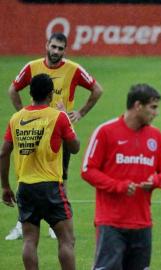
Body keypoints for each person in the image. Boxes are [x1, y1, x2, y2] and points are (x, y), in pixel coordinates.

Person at [6, 32, 103, 240]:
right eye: (53, 47)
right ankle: (21, 224)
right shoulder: (31, 67)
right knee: (25, 174)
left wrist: (80, 112)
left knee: (61, 176)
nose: (56, 51)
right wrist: (22, 112)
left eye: (60, 48)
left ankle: (55, 223)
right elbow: (12, 89)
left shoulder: (73, 69)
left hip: (59, 131)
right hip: (33, 131)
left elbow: (97, 89)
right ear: (46, 45)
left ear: (64, 50)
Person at [81, 83, 161, 270]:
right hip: (111, 222)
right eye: (153, 107)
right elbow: (87, 170)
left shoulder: (155, 136)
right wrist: (118, 186)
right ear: (138, 106)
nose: (156, 113)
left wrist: (155, 181)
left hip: (142, 223)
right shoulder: (106, 131)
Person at [0, 73, 80, 270]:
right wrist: (66, 119)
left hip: (25, 187)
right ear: (51, 95)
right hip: (51, 187)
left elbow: (3, 152)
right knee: (66, 239)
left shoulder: (16, 118)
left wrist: (5, 187)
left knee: (29, 241)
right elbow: (75, 147)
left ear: (30, 93)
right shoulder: (57, 117)